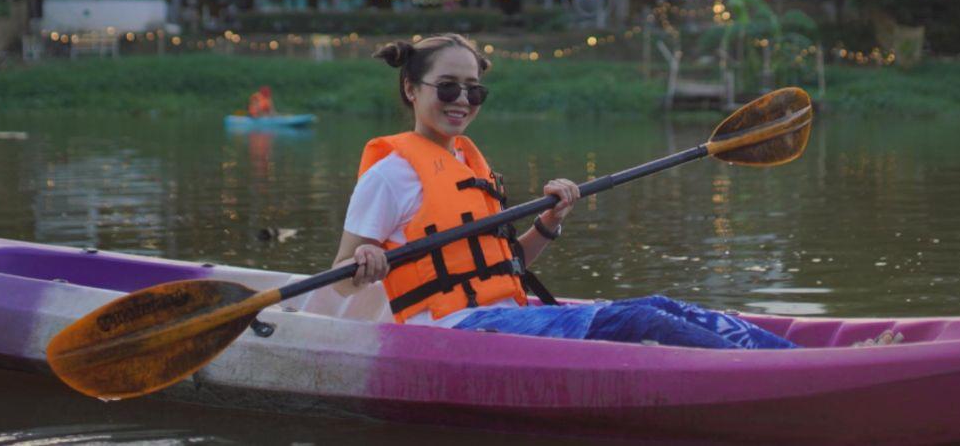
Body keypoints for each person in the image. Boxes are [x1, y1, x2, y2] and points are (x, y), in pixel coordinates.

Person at [330, 33, 797, 350]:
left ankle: (794, 356)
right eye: (448, 88)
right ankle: (788, 371)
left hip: (501, 319)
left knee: (659, 306)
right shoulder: (390, 174)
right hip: (451, 332)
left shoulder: (466, 163)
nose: (462, 102)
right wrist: (364, 265)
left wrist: (548, 224)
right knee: (641, 322)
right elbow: (342, 275)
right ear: (411, 89)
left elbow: (507, 266)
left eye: (474, 91)